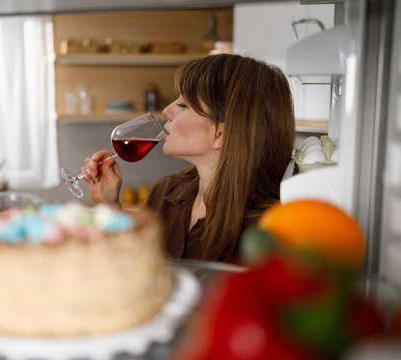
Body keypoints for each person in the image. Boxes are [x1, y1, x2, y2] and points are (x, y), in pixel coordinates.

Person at [81, 54, 295, 262]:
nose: (166, 111)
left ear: (220, 134)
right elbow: (135, 269)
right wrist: (108, 204)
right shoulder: (164, 192)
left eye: (183, 105)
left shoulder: (266, 231)